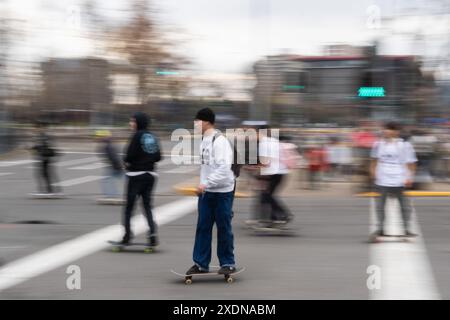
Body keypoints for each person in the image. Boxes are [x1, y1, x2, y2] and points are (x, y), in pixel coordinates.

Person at [186, 108, 236, 275]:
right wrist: (203, 184)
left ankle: (228, 262)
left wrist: (205, 183)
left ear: (206, 121)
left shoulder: (219, 141)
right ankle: (201, 263)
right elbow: (206, 168)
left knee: (224, 228)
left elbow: (224, 168)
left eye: (197, 120)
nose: (195, 123)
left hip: (223, 192)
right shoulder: (204, 141)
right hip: (207, 192)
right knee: (203, 228)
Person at [370, 122, 418, 238]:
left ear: (396, 132)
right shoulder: (378, 144)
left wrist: (410, 177)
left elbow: (411, 163)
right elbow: (373, 161)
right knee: (380, 206)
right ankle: (380, 229)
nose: (386, 131)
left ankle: (406, 229)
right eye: (385, 129)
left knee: (405, 206)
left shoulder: (405, 146)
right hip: (382, 180)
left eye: (390, 129)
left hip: (400, 179)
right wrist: (373, 174)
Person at [121, 112, 162, 246]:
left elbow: (128, 156)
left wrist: (128, 163)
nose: (130, 123)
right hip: (150, 175)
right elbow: (158, 156)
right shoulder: (153, 136)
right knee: (147, 206)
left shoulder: (136, 136)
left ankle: (127, 236)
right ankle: (152, 234)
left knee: (129, 207)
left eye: (133, 121)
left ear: (138, 122)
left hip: (136, 175)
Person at [257, 127, 292, 225]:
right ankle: (274, 218)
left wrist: (254, 167)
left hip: (272, 173)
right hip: (281, 172)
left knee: (266, 196)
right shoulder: (274, 141)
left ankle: (284, 214)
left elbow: (265, 162)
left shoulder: (264, 143)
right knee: (268, 195)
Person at [31, 121, 62, 195]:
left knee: (44, 174)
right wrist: (32, 149)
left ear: (41, 128)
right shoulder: (41, 136)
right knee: (46, 174)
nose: (34, 129)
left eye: (36, 128)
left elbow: (45, 146)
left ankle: (49, 191)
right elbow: (38, 147)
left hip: (45, 157)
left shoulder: (43, 136)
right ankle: (52, 190)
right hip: (43, 157)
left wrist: (34, 148)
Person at [96, 130, 123, 200]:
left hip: (114, 166)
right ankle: (112, 194)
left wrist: (117, 166)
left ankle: (111, 195)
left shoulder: (108, 146)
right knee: (124, 178)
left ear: (104, 137)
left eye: (99, 137)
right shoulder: (109, 144)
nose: (97, 138)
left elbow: (114, 157)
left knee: (106, 180)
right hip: (115, 166)